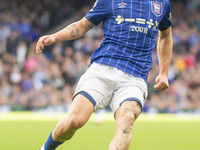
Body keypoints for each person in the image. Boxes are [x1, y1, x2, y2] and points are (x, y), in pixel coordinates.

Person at [36, 0, 172, 149]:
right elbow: (82, 26)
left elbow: (165, 36)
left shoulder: (161, 4)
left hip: (135, 75)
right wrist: (55, 37)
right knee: (74, 121)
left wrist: (164, 72)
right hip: (103, 69)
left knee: (126, 120)